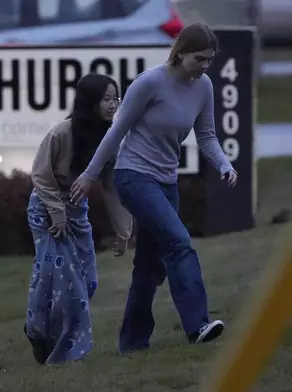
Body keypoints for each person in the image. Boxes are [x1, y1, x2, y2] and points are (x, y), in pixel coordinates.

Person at [69, 22, 238, 354]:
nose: (205, 66)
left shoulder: (203, 86)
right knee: (179, 241)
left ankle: (132, 343)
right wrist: (90, 174)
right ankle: (198, 325)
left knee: (150, 264)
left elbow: (206, 137)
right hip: (133, 176)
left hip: (166, 180)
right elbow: (116, 132)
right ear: (180, 53)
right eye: (199, 59)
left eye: (210, 60)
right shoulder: (149, 83)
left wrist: (224, 164)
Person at [24, 73, 134, 365]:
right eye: (106, 99)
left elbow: (110, 186)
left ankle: (38, 331)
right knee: (67, 284)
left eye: (116, 98)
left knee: (88, 281)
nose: (113, 105)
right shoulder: (61, 133)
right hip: (46, 212)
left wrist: (123, 231)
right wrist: (56, 213)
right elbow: (40, 175)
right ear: (89, 101)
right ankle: (65, 353)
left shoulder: (110, 138)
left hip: (77, 213)